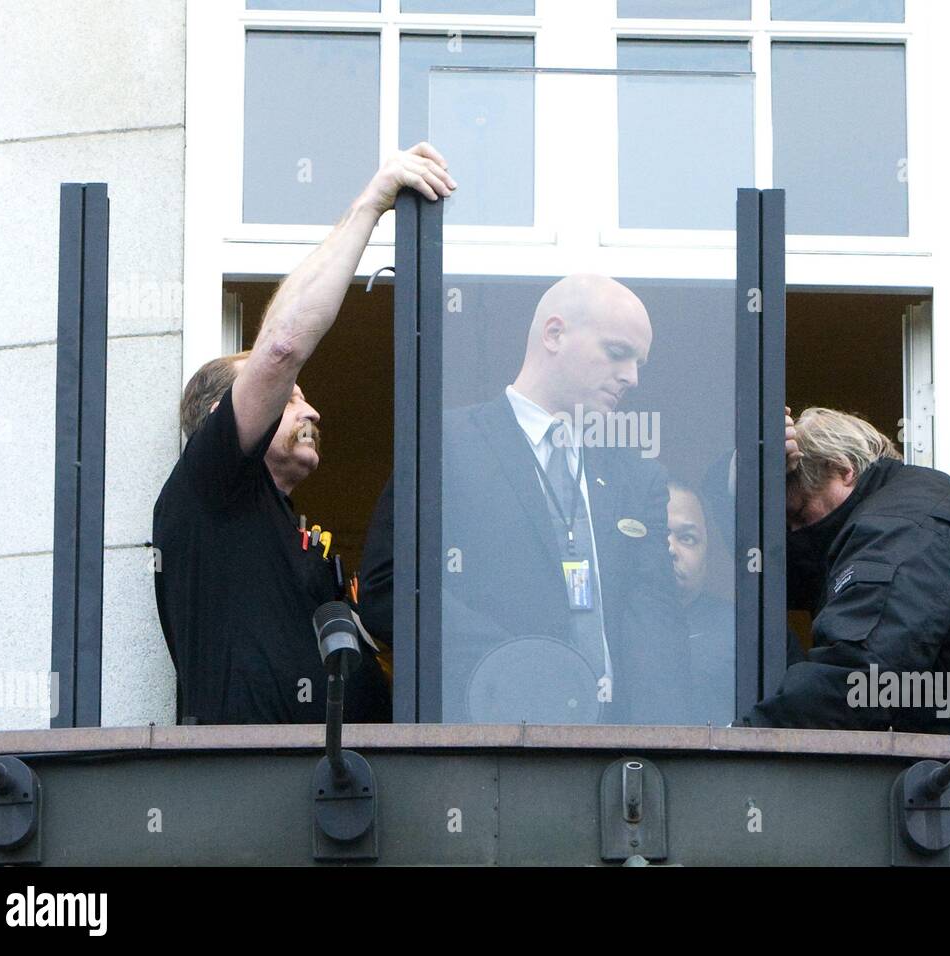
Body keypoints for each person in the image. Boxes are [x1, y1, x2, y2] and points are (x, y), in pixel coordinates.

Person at [153, 142, 456, 724]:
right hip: (250, 784)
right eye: (289, 397)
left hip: (340, 784)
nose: (310, 408)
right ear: (220, 414)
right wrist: (371, 204)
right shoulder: (210, 489)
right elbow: (282, 346)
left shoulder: (281, 527)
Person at [359, 274, 691, 724]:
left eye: (639, 362)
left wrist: (669, 744)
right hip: (487, 734)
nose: (631, 376)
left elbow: (657, 626)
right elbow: (389, 590)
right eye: (617, 353)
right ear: (554, 334)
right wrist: (520, 666)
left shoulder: (636, 476)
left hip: (617, 749)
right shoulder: (445, 446)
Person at [739, 407, 950, 740]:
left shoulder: (896, 529)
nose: (794, 532)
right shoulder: (911, 505)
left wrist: (743, 741)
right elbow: (776, 571)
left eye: (798, 513)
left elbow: (862, 678)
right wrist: (741, 481)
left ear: (843, 470)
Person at [666, 482, 734, 726]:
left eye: (687, 538)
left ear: (708, 553)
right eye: (658, 534)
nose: (671, 548)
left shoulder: (746, 632)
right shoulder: (604, 630)